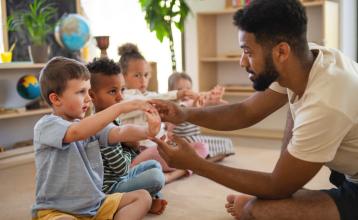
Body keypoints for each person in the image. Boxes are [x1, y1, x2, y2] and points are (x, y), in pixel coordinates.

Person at [149, 0, 358, 220]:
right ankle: (290, 184)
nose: (242, 62)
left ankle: (290, 187)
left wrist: (195, 164)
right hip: (347, 171)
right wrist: (184, 114)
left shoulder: (325, 102)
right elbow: (244, 112)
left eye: (248, 52)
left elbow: (277, 185)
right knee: (278, 181)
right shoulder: (304, 60)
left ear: (281, 51)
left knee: (258, 211)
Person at [32, 56, 157, 220]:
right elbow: (77, 132)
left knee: (142, 197)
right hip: (57, 210)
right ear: (56, 99)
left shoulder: (89, 124)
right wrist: (120, 107)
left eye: (88, 90)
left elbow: (119, 132)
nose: (88, 98)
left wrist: (147, 130)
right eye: (80, 92)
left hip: (95, 204)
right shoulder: (46, 126)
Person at [118, 43, 210, 183]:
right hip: (143, 151)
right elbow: (148, 101)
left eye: (146, 75)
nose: (143, 80)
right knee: (161, 152)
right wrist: (179, 93)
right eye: (137, 75)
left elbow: (172, 109)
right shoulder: (124, 98)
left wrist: (197, 103)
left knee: (201, 146)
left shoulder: (153, 94)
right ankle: (146, 171)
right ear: (123, 77)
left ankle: (172, 175)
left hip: (162, 147)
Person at [87, 58, 167, 214]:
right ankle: (141, 201)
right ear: (92, 95)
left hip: (121, 179)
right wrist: (131, 145)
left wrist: (131, 146)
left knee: (154, 165)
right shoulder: (100, 126)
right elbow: (122, 169)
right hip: (110, 188)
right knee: (156, 177)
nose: (120, 97)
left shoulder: (114, 118)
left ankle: (150, 199)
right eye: (112, 91)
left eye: (122, 90)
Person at [167, 72, 235, 159]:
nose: (186, 93)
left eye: (188, 89)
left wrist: (215, 101)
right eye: (180, 89)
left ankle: (206, 157)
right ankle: (204, 158)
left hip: (196, 138)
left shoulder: (195, 103)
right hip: (181, 140)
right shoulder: (172, 106)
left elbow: (207, 104)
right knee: (198, 145)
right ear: (170, 92)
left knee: (227, 142)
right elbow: (184, 107)